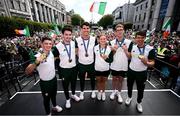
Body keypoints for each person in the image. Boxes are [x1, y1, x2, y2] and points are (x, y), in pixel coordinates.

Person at [25, 37, 62, 116]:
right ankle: (48, 113)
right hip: (45, 83)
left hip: (54, 79)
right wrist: (36, 62)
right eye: (46, 43)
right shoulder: (37, 55)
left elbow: (58, 53)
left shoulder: (52, 52)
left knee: (54, 95)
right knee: (46, 99)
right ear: (41, 44)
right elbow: (27, 71)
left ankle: (54, 106)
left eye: (50, 44)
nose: (48, 45)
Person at [125, 31, 155, 113]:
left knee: (140, 89)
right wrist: (125, 50)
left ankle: (139, 102)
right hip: (131, 71)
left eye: (142, 38)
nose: (140, 39)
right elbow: (129, 57)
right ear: (135, 38)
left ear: (145, 38)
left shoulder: (150, 49)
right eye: (138, 37)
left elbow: (152, 63)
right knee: (129, 86)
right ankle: (129, 97)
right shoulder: (133, 46)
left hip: (142, 73)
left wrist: (146, 63)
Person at [52, 26, 80, 109]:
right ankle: (67, 99)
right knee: (65, 85)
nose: (68, 36)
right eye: (66, 34)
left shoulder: (74, 42)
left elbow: (77, 50)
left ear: (72, 35)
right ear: (62, 35)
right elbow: (53, 57)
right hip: (64, 69)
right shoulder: (57, 46)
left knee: (74, 83)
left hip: (74, 67)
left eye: (70, 34)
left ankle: (73, 94)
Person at [109, 23, 133, 103]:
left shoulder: (129, 42)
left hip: (123, 65)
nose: (119, 31)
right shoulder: (111, 42)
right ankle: (113, 91)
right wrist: (113, 51)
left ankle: (119, 93)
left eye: (121, 30)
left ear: (124, 31)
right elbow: (110, 57)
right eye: (117, 30)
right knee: (114, 79)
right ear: (115, 32)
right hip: (114, 65)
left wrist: (126, 51)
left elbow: (130, 57)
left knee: (121, 80)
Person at [75, 22, 98, 100]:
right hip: (81, 63)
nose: (86, 30)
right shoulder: (77, 40)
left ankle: (93, 91)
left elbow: (96, 51)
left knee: (92, 78)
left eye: (87, 28)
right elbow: (76, 51)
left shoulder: (94, 39)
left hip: (91, 63)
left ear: (90, 29)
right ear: (81, 29)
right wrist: (82, 57)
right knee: (82, 79)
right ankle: (82, 92)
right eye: (84, 28)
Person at [94, 34, 113, 101]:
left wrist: (106, 59)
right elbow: (93, 58)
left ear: (106, 40)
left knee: (104, 82)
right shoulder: (95, 47)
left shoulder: (109, 48)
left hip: (106, 68)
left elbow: (111, 60)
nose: (102, 40)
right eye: (101, 39)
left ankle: (103, 92)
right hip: (97, 68)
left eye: (104, 39)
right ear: (99, 40)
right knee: (99, 81)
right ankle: (99, 92)